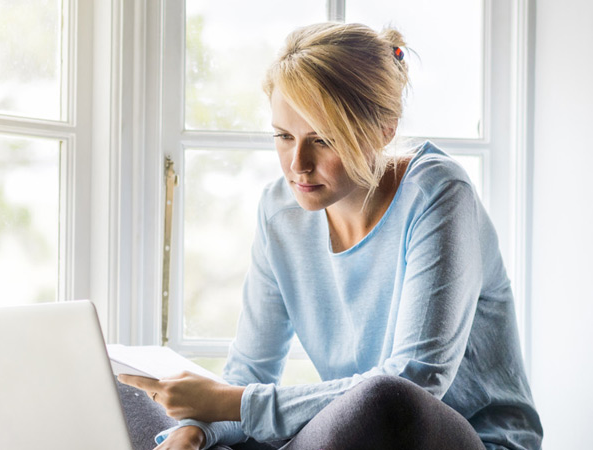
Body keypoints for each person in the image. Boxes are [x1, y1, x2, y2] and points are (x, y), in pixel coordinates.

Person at [118, 22, 542, 450]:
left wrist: (233, 402)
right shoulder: (280, 212)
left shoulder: (438, 194)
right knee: (129, 397)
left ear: (384, 129)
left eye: (322, 140)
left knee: (383, 397)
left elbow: (417, 379)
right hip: (353, 434)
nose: (297, 164)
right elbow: (249, 374)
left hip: (451, 436)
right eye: (284, 137)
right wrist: (196, 430)